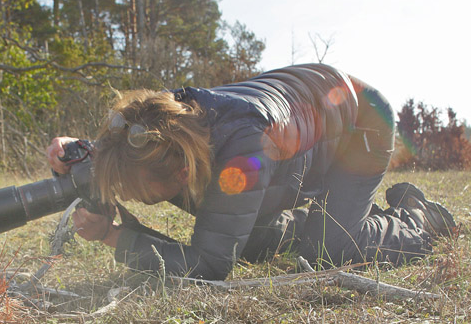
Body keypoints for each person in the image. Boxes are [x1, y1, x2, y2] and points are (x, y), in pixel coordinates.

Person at [46, 64, 457, 281]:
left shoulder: (241, 143)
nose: (130, 196)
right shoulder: (164, 126)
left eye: (139, 192)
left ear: (184, 170)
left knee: (330, 249)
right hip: (307, 113)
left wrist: (111, 235)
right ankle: (310, 223)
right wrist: (81, 149)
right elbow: (134, 137)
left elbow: (208, 267)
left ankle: (422, 217)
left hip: (362, 122)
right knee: (251, 241)